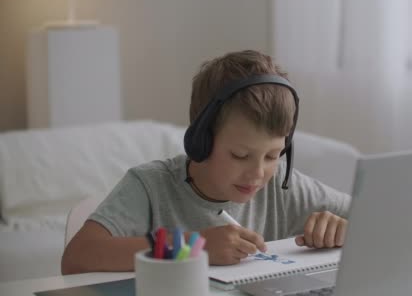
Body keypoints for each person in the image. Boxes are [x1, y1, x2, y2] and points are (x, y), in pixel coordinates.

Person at [61, 50, 351, 274]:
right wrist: (191, 248)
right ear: (200, 141)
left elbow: (380, 219)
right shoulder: (150, 186)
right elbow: (77, 257)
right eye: (240, 155)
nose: (258, 173)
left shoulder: (281, 185)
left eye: (273, 155)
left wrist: (343, 228)